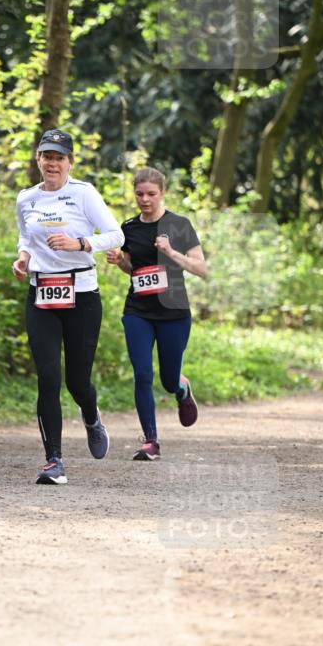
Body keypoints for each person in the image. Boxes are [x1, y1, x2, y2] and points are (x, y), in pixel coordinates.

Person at [13, 128, 124, 485]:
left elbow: (116, 235)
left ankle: (91, 417)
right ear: (38, 160)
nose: (52, 164)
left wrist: (80, 243)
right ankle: (54, 461)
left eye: (59, 158)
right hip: (41, 293)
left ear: (70, 162)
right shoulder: (26, 198)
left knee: (77, 381)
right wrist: (22, 257)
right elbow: (25, 236)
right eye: (47, 157)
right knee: (48, 377)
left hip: (82, 295)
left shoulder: (83, 193)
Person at [107, 167, 206, 461]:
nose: (145, 199)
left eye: (151, 194)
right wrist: (119, 262)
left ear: (162, 193)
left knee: (167, 379)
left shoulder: (179, 224)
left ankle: (182, 387)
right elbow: (131, 268)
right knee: (142, 374)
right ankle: (150, 440)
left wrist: (171, 251)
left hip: (174, 313)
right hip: (138, 311)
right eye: (139, 194)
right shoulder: (129, 228)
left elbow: (201, 268)